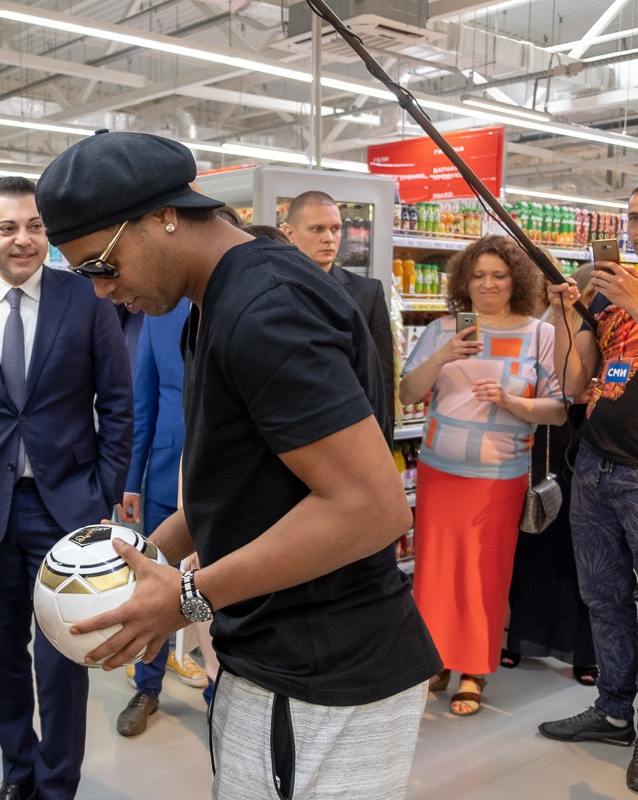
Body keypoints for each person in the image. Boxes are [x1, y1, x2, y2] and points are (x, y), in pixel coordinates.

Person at [37, 130, 440, 800]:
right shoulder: (214, 304)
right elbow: (252, 473)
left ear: (163, 216)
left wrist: (190, 595)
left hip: (324, 670)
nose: (102, 292)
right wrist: (154, 550)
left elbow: (371, 506)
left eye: (98, 266)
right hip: (274, 654)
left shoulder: (266, 308)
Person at [0, 175, 133, 800]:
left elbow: (118, 405)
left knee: (64, 654)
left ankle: (57, 782)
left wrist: (104, 491)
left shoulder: (86, 300)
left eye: (35, 226)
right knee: (0, 654)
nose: (23, 240)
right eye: (8, 227)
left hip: (66, 504)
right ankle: (20, 771)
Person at [399, 234, 567, 716]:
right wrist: (442, 355)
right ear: (463, 282)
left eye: (499, 275)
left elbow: (558, 409)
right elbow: (409, 393)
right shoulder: (441, 331)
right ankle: (436, 660)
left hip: (498, 476)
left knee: (483, 573)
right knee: (433, 570)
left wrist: (512, 402)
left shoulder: (540, 333)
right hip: (439, 470)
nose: (488, 284)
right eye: (478, 275)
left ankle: (474, 668)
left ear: (517, 280)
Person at [538, 188, 638, 794]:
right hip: (597, 467)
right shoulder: (609, 290)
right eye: (630, 217)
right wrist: (564, 316)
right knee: (603, 598)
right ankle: (613, 709)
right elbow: (577, 383)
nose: (632, 227)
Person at [112, 298, 210, 738]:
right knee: (151, 579)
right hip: (167, 473)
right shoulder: (158, 314)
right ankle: (147, 685)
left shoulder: (239, 304)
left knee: (221, 584)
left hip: (226, 473)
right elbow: (143, 401)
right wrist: (131, 480)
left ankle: (220, 689)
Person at [502, 261, 597, 684]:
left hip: (593, 442)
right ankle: (521, 637)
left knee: (584, 553)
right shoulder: (546, 327)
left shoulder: (617, 324)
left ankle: (583, 651)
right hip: (549, 443)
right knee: (536, 538)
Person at [283, 191, 396, 440]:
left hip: (352, 431)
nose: (329, 238)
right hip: (291, 430)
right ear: (289, 234)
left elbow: (382, 377)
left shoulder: (367, 293)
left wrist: (384, 441)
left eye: (335, 229)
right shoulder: (275, 291)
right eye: (317, 229)